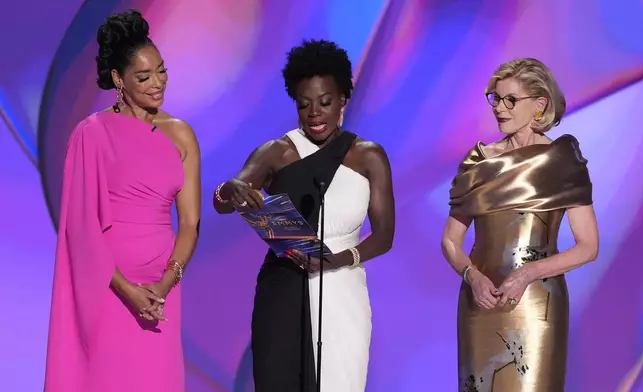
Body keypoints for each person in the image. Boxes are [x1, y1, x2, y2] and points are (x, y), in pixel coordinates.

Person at [213, 39, 395, 392]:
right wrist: (230, 188)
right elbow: (224, 200)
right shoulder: (276, 152)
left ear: (343, 98)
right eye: (304, 104)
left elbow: (385, 235)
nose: (315, 113)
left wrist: (339, 259)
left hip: (342, 288)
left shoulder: (369, 156)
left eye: (325, 103)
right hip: (283, 286)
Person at [44, 9, 200, 392]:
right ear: (118, 79)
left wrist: (166, 282)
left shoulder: (181, 134)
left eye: (161, 70)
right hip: (108, 288)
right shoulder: (91, 134)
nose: (157, 83)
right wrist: (126, 288)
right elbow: (80, 228)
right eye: (144, 77)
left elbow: (191, 223)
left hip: (162, 291)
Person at [441, 58, 599, 392]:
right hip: (479, 300)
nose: (499, 107)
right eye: (496, 99)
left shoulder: (562, 162)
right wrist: (473, 278)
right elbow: (451, 241)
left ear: (539, 104)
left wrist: (528, 273)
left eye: (510, 99)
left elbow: (588, 245)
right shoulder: (479, 161)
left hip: (535, 303)